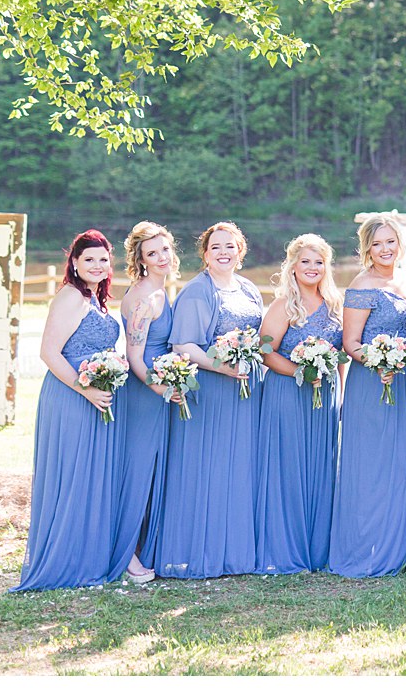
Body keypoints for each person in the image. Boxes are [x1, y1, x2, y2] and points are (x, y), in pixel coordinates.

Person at [13, 230, 145, 591]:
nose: (98, 266)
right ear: (73, 262)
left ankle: (95, 555)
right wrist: (85, 390)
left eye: (103, 259)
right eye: (89, 259)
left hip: (97, 396)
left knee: (94, 477)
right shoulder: (70, 297)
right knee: (74, 476)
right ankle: (68, 559)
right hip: (72, 397)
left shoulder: (96, 299)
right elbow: (49, 353)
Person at [157, 221, 264, 579]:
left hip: (246, 392)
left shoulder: (249, 289)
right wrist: (224, 367)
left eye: (230, 246)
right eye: (215, 246)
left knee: (239, 467)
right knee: (210, 467)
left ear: (240, 251)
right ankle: (201, 552)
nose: (223, 252)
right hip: (212, 390)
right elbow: (184, 346)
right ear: (205, 254)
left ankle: (235, 552)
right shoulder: (197, 292)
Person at [329, 213, 406, 577]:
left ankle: (397, 545)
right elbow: (351, 343)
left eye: (390, 242)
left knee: (401, 463)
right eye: (377, 243)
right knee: (371, 464)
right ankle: (364, 546)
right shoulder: (362, 285)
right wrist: (378, 361)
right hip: (372, 382)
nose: (385, 249)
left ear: (400, 244)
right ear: (367, 248)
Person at [255, 233, 343, 574]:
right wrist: (299, 372)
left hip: (324, 399)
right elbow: (265, 351)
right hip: (288, 395)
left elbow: (340, 354)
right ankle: (285, 549)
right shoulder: (282, 306)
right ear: (292, 266)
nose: (312, 268)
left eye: (319, 262)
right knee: (289, 469)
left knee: (319, 467)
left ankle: (316, 549)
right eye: (305, 261)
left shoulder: (335, 305)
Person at [117, 221, 181, 581]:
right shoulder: (145, 297)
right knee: (139, 471)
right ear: (140, 260)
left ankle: (145, 545)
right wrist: (160, 388)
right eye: (151, 253)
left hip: (159, 387)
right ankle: (127, 556)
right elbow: (134, 357)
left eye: (164, 250)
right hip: (145, 393)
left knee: (152, 469)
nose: (161, 257)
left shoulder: (160, 290)